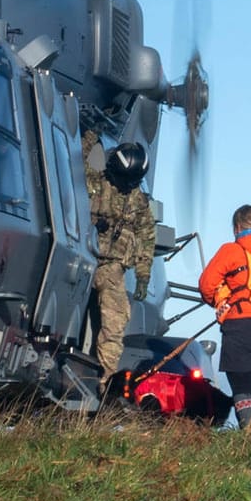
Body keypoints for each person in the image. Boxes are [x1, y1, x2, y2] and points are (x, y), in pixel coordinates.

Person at [198, 205, 251, 429]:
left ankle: (250, 435)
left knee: (241, 383)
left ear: (237, 227)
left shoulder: (231, 251)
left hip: (241, 323)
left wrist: (219, 301)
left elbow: (206, 284)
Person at [85, 133, 156, 390]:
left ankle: (104, 380)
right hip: (84, 257)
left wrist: (143, 275)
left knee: (115, 326)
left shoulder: (139, 202)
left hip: (112, 268)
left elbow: (147, 239)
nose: (128, 185)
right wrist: (91, 135)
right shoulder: (95, 183)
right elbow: (76, 160)